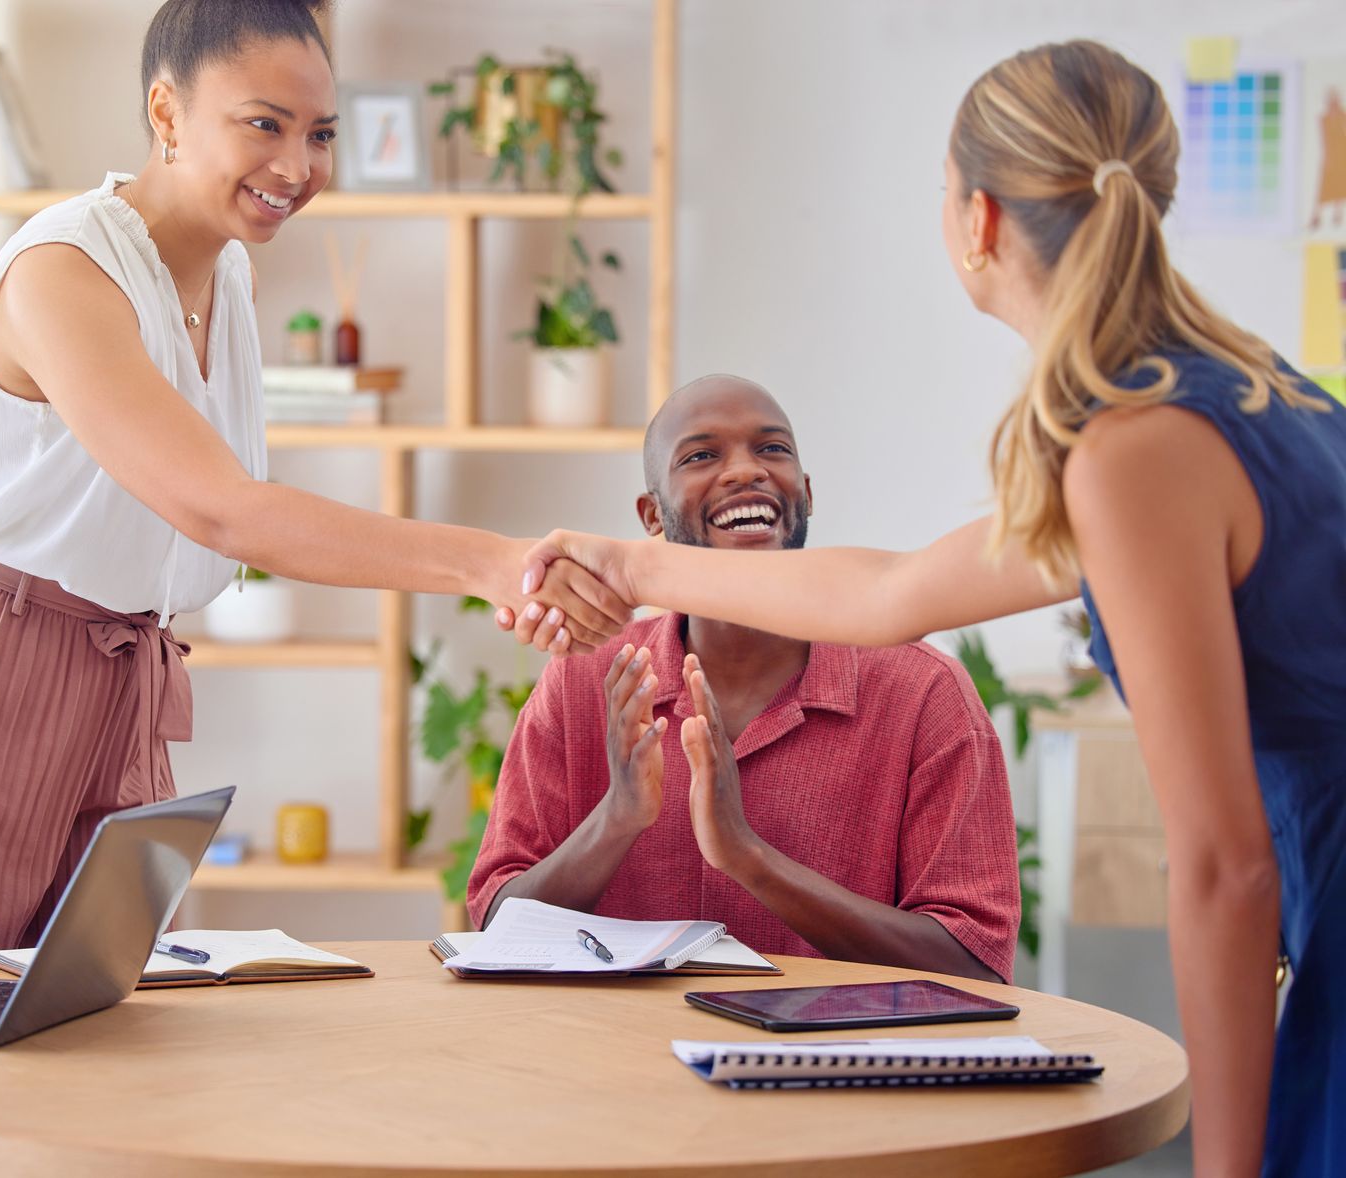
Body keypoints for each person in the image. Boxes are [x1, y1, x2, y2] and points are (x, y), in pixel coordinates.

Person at [0, 4, 625, 1171]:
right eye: (264, 125)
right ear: (167, 113)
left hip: (109, 674)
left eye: (320, 133)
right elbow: (224, 510)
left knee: (75, 1042)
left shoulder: (226, 281)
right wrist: (486, 563)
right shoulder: (63, 270)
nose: (299, 166)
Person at [512, 40, 1344, 1178]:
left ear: (980, 220)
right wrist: (628, 565)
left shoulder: (1134, 450)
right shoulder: (1253, 391)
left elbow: (1223, 866)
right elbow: (889, 590)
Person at [470, 376, 1018, 982]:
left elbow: (976, 966)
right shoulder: (582, 683)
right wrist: (618, 817)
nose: (744, 472)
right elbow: (495, 929)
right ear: (651, 516)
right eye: (702, 455)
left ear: (805, 496)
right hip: (620, 1067)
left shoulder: (925, 695)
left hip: (838, 1071)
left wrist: (746, 855)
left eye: (772, 449)